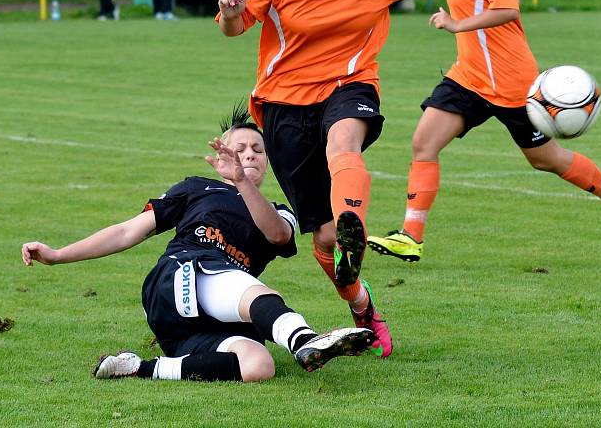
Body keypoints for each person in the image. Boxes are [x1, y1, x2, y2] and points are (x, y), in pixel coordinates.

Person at [216, 0, 503, 359]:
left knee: (343, 144)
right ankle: (362, 304)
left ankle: (354, 221)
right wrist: (229, 10)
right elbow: (233, 27)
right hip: (285, 102)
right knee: (324, 240)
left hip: (350, 82)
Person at [367, 0, 601, 264]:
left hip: (511, 82)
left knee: (546, 160)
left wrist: (456, 23)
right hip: (469, 77)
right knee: (423, 143)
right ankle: (410, 236)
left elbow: (509, 10)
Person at [20, 107, 373, 382]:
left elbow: (278, 236)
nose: (249, 155)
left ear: (269, 161)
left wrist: (243, 185)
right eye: (239, 149)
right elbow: (128, 231)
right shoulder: (196, 188)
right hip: (178, 280)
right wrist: (58, 255)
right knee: (251, 289)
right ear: (220, 158)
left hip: (204, 322)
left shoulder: (280, 211)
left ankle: (137, 368)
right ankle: (303, 340)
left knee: (257, 365)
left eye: (258, 150)